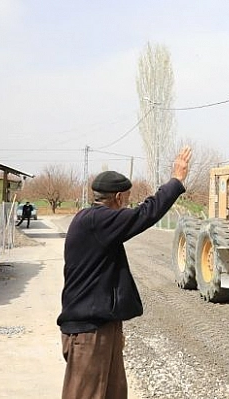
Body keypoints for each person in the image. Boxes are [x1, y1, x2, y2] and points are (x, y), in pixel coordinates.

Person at [57, 146, 193, 399]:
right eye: (128, 199)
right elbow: (145, 214)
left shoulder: (95, 221)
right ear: (118, 197)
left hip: (102, 327)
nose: (128, 204)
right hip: (88, 332)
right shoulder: (98, 220)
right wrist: (176, 180)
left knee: (115, 393)